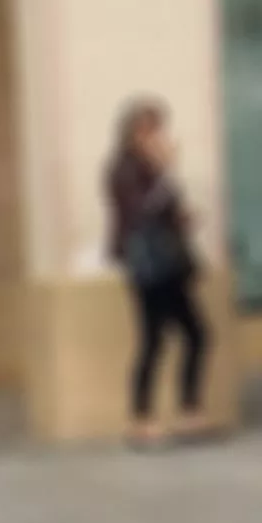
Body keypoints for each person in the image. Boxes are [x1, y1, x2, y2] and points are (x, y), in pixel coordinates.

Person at [104, 97, 205, 446]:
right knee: (152, 339)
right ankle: (140, 418)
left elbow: (165, 210)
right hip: (146, 264)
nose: (157, 136)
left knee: (196, 334)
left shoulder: (154, 169)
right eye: (148, 129)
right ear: (132, 133)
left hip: (171, 261)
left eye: (159, 128)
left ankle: (189, 411)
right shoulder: (124, 168)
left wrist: (183, 219)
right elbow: (141, 210)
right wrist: (166, 171)